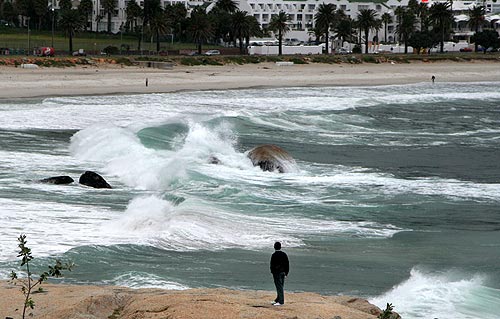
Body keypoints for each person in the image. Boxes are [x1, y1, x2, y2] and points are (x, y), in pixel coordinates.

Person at [270, 241, 289, 306]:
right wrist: (286, 272)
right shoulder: (284, 254)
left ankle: (281, 301)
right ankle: (278, 299)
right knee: (281, 286)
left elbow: (272, 265)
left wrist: (272, 272)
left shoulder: (274, 255)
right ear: (280, 247)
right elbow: (287, 263)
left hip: (277, 273)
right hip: (283, 272)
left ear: (274, 247)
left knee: (279, 287)